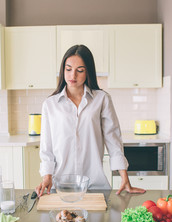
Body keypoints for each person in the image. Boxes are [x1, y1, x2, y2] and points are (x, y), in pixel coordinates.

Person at [35, 45, 146, 197]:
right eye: (68, 69)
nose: (73, 75)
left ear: (88, 72)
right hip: (59, 186)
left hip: (94, 185)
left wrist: (124, 176)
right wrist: (47, 176)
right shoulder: (50, 104)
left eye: (80, 70)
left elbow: (113, 139)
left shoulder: (102, 99)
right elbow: (46, 146)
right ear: (63, 71)